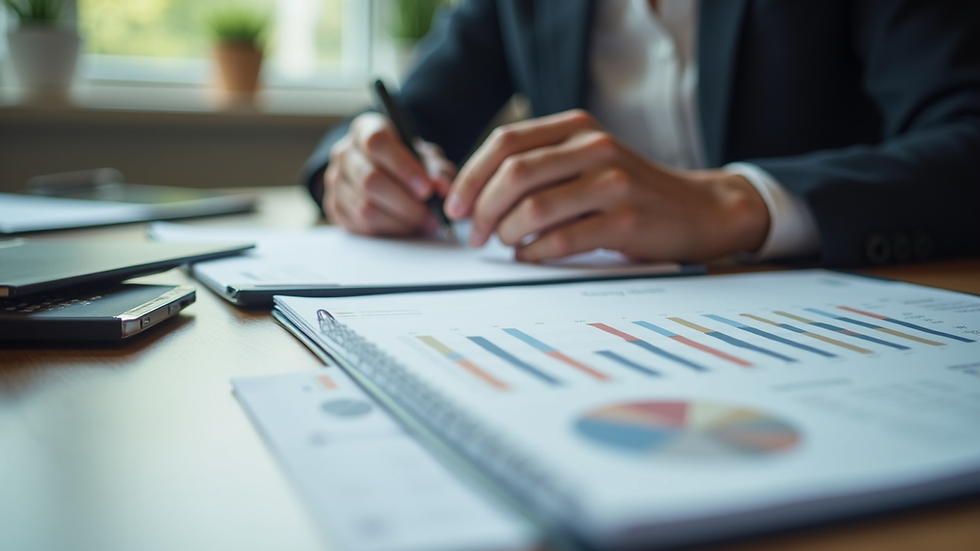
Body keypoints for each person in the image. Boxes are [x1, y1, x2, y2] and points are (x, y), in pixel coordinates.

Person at [302, 0, 980, 267]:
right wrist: (357, 165)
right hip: (584, 330)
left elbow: (966, 136)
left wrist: (740, 202)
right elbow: (405, 118)